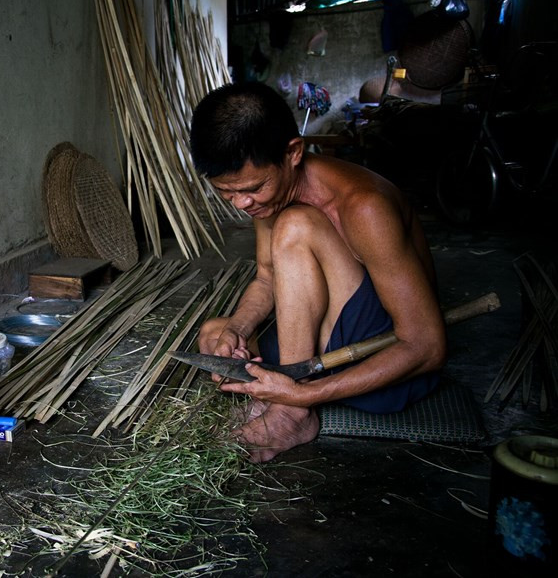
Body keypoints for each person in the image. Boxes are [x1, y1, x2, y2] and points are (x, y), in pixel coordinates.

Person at [189, 82, 446, 462]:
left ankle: (292, 414)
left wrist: (302, 396)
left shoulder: (364, 207)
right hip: (326, 347)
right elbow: (266, 278)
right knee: (213, 334)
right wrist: (237, 331)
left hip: (386, 365)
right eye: (227, 193)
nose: (242, 203)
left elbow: (426, 347)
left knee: (296, 226)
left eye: (252, 188)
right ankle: (286, 390)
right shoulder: (269, 197)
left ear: (292, 152)